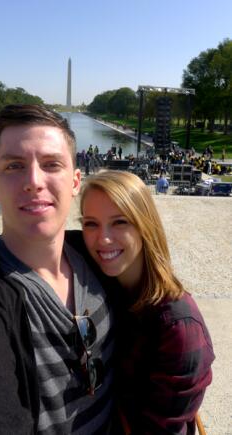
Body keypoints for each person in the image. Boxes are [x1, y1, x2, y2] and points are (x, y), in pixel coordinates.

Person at [0, 105, 114, 434]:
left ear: (76, 180)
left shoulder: (102, 256)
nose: (34, 181)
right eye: (15, 166)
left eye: (51, 164)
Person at [77, 170, 215, 434]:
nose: (103, 239)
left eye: (120, 222)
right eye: (91, 224)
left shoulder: (178, 326)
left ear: (145, 225)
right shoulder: (105, 285)